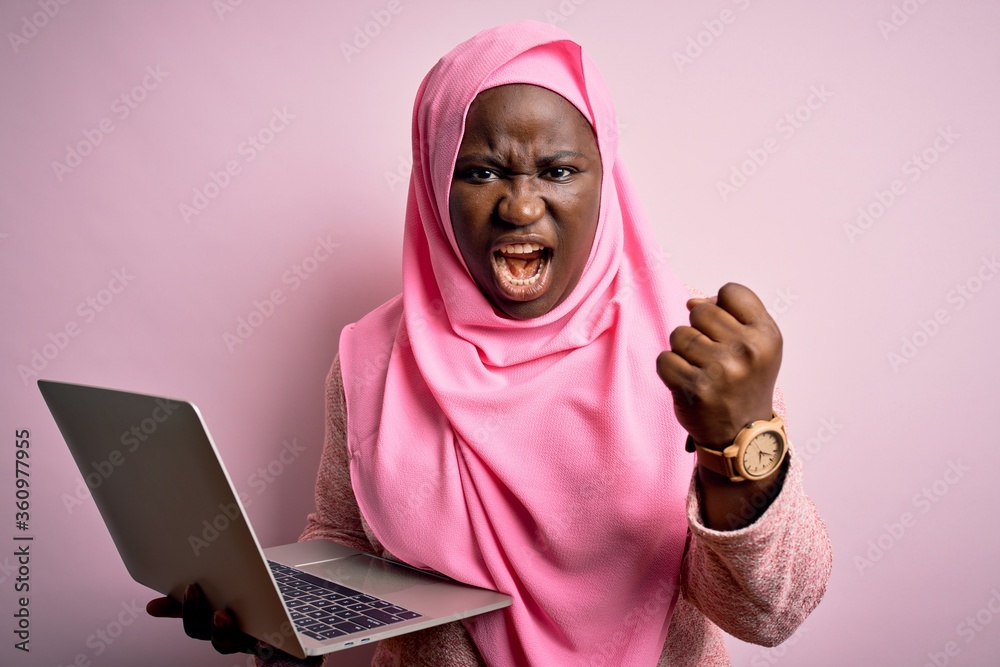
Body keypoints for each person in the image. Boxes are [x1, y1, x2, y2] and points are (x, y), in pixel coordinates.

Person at [148, 20, 832, 666]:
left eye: (559, 170)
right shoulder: (376, 358)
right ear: (434, 181)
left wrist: (739, 447)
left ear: (607, 181)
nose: (522, 206)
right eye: (480, 172)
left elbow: (771, 614)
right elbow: (348, 539)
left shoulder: (695, 362)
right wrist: (285, 615)